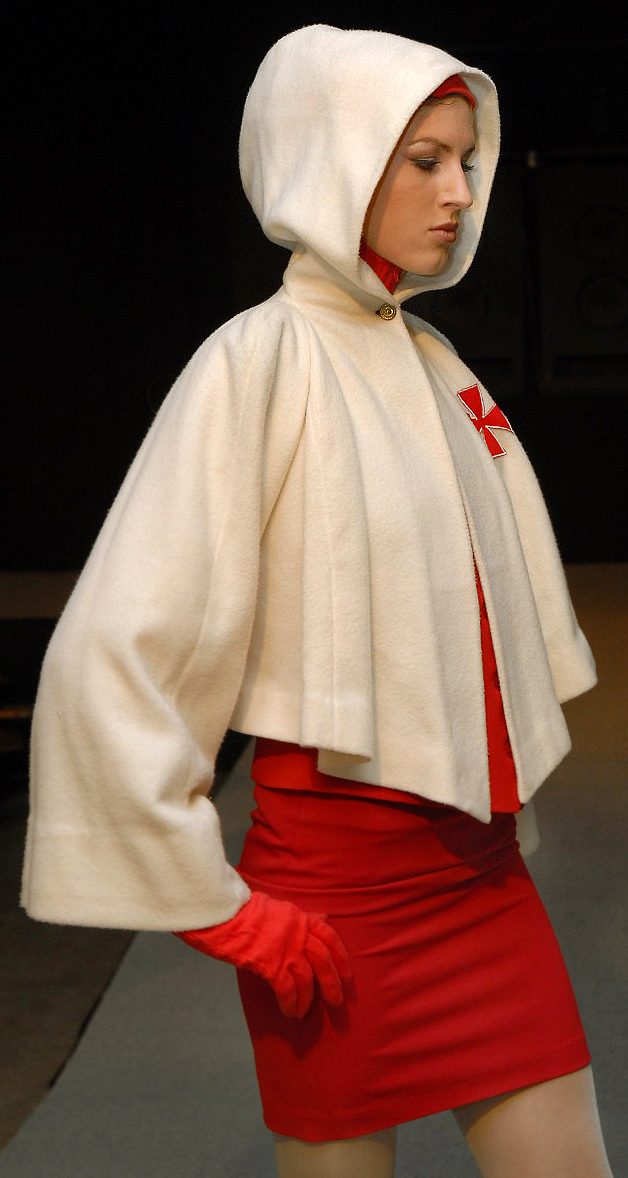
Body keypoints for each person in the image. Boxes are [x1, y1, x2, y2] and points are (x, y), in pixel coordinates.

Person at [23, 24, 614, 1178]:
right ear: (335, 157)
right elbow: (119, 637)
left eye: (464, 161)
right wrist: (218, 901)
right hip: (334, 907)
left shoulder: (437, 362)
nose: (457, 193)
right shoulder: (255, 364)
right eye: (423, 160)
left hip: (479, 876)